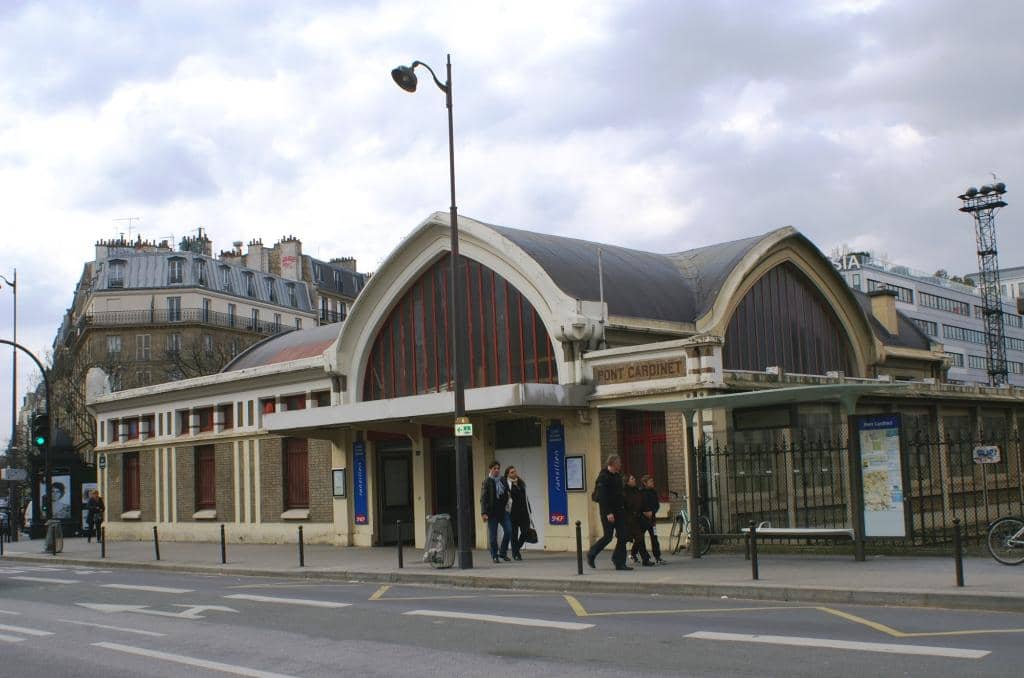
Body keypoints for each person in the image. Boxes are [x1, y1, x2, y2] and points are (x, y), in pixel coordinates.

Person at [586, 454, 631, 571]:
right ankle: (591, 553)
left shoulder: (617, 476)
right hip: (608, 512)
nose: (620, 464)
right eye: (619, 462)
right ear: (613, 463)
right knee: (608, 536)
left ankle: (619, 561)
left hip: (619, 511)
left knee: (623, 535)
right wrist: (608, 513)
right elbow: (602, 498)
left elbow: (620, 494)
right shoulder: (603, 477)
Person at [479, 460, 513, 563]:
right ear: (490, 469)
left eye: (498, 468)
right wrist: (484, 513)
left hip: (503, 512)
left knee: (509, 531)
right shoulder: (487, 482)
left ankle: (502, 552)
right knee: (493, 537)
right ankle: (494, 555)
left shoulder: (502, 480)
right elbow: (483, 499)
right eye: (495, 468)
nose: (497, 470)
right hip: (492, 513)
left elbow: (507, 492)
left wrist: (508, 501)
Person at [634, 475, 666, 565]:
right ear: (645, 483)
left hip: (652, 520)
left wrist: (653, 512)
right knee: (640, 539)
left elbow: (657, 505)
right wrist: (644, 512)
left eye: (652, 481)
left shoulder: (653, 492)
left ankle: (657, 557)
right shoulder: (640, 492)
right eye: (650, 482)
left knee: (654, 538)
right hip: (642, 520)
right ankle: (634, 553)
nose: (652, 483)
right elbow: (637, 505)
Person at [624, 474, 654, 566]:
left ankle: (644, 559)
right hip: (628, 520)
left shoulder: (636, 490)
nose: (634, 480)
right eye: (632, 479)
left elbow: (642, 502)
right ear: (627, 482)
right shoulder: (624, 492)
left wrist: (646, 511)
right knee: (624, 540)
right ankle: (618, 557)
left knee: (639, 538)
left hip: (637, 519)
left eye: (634, 478)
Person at [504, 466, 531, 561]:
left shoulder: (521, 483)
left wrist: (529, 510)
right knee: (514, 535)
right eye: (512, 472)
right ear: (508, 474)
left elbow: (525, 497)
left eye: (515, 471)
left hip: (524, 512)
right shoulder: (506, 485)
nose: (514, 473)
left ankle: (516, 549)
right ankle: (516, 554)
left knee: (525, 531)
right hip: (513, 513)